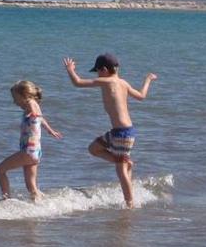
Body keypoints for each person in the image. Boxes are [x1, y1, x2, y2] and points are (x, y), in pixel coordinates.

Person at [63, 53, 157, 207]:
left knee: (120, 171)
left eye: (98, 71)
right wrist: (147, 80)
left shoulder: (106, 81)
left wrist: (70, 69)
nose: (98, 75)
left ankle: (130, 204)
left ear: (104, 70)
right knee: (93, 148)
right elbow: (141, 96)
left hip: (123, 134)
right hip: (120, 132)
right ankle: (126, 162)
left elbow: (78, 82)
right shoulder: (123, 83)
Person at [0, 80, 62, 200]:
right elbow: (41, 118)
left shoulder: (31, 104)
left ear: (24, 96)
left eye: (15, 98)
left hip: (28, 150)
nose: (14, 102)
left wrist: (31, 113)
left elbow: (36, 113)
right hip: (35, 152)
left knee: (0, 170)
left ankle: (6, 200)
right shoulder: (35, 104)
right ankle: (41, 204)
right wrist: (50, 130)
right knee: (31, 187)